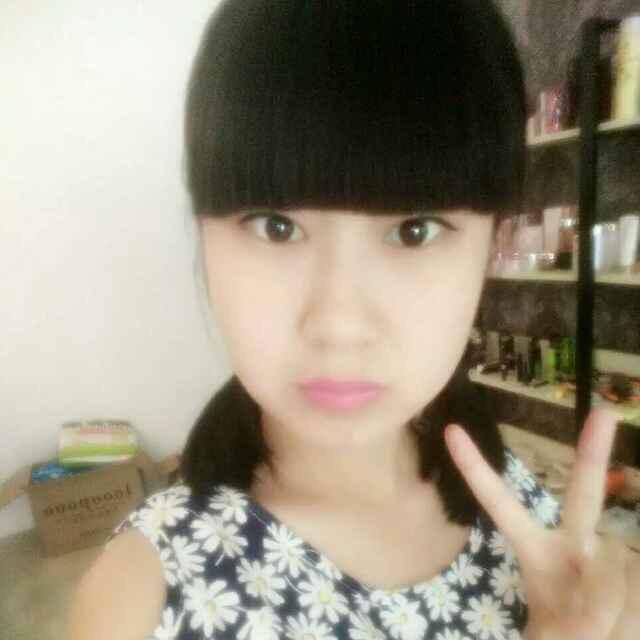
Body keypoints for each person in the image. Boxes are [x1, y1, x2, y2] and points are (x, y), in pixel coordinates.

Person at [68, 2, 640, 639]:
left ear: (494, 247)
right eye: (275, 226)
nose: (340, 327)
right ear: (203, 234)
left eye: (414, 230)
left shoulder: (525, 519)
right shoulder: (141, 595)